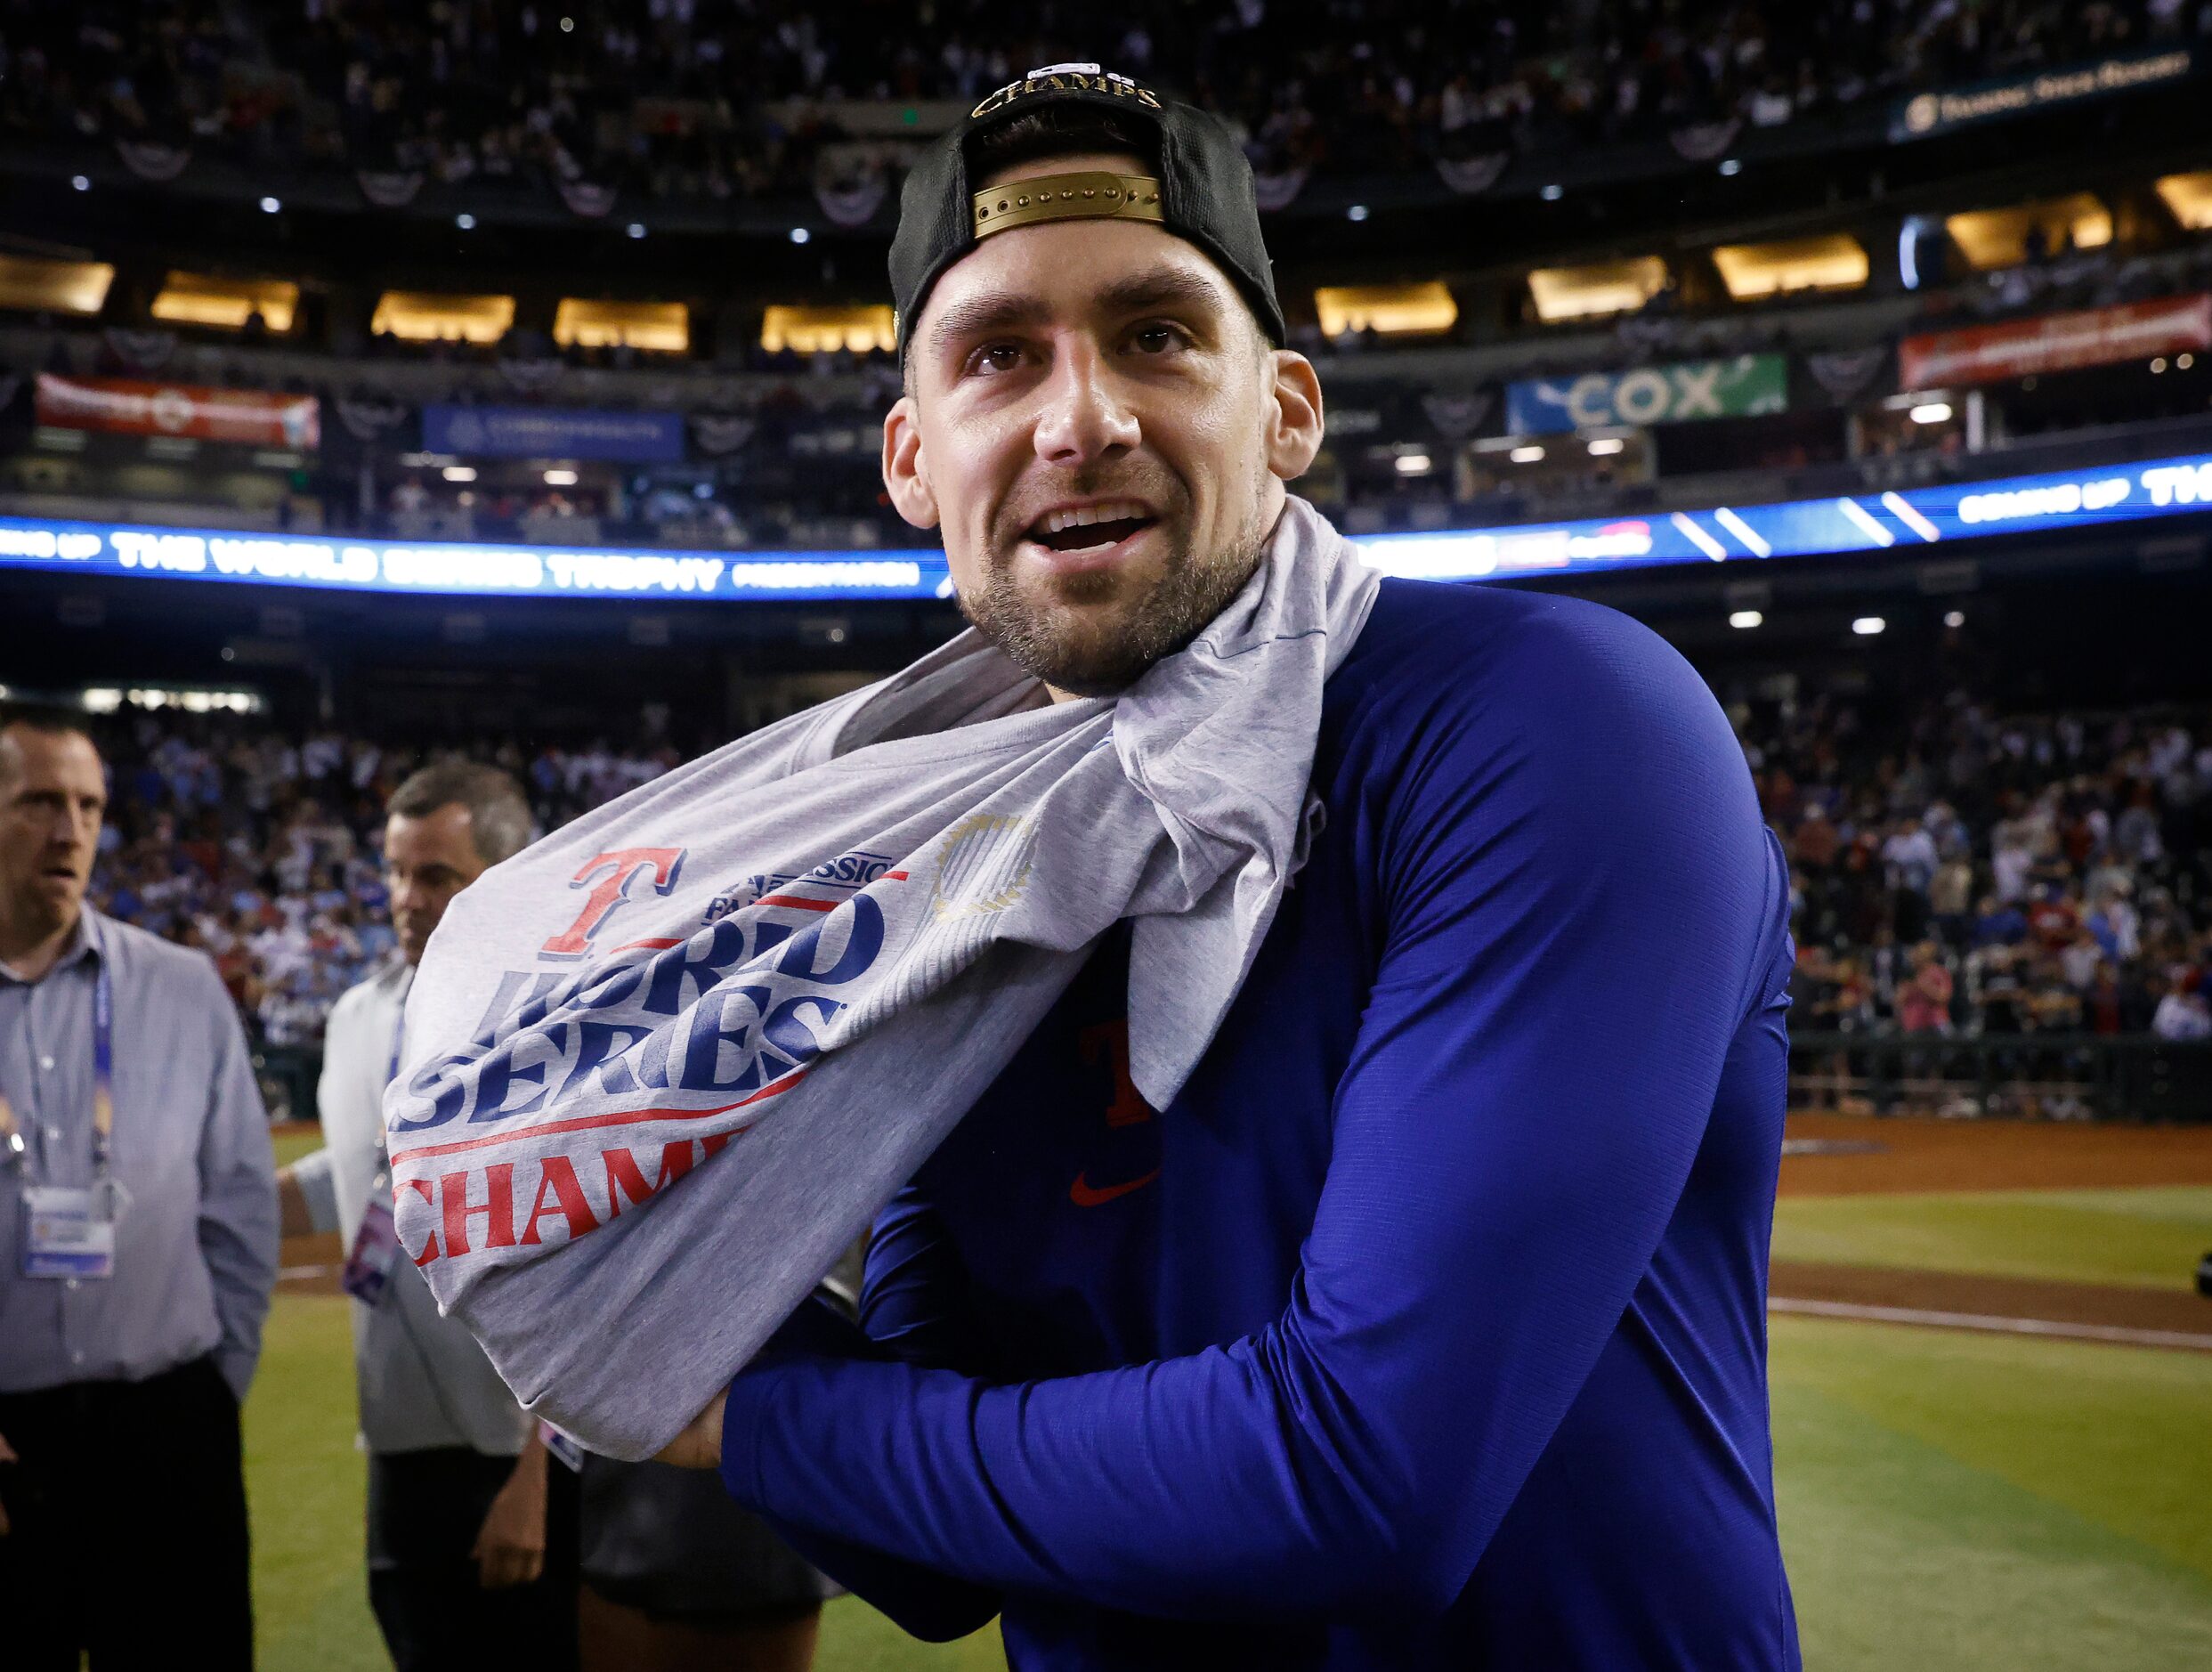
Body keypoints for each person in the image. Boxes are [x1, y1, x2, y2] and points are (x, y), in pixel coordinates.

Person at [657, 70, 1800, 1668]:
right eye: (1000, 356)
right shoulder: (947, 868)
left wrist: (735, 1400)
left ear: (1288, 411)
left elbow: (1363, 1477)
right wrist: (618, 1264)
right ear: (915, 462)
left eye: (1157, 335)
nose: (1082, 417)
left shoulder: (1558, 725)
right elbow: (932, 1569)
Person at [276, 761, 578, 1672]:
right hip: (397, 1437)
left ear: (504, 881)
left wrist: (538, 1476)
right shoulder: (356, 1017)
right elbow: (360, 1171)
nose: (406, 898)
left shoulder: (561, 1028)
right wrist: (191, 1201)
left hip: (515, 1453)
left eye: (435, 876)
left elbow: (596, 1255)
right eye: (397, 872)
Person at [0, 703, 279, 1668]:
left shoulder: (181, 987)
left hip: (166, 1435)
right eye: (38, 802)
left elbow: (240, 1213)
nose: (70, 830)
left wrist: (208, 1395)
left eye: (87, 803)